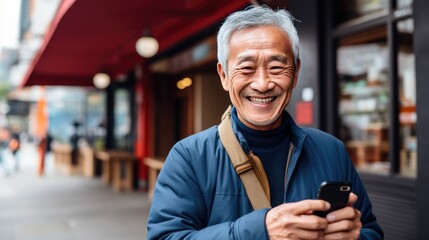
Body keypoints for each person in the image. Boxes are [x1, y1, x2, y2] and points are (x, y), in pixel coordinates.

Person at [147, 5, 383, 240]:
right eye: (247, 68)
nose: (262, 84)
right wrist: (261, 231)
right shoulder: (189, 157)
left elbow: (371, 231)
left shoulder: (331, 151)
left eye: (277, 67)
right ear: (224, 76)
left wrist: (353, 236)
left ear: (296, 72)